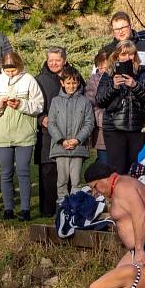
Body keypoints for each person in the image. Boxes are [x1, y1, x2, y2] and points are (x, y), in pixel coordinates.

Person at [0, 51, 44, 220]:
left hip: (24, 133)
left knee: (23, 171)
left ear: (20, 66)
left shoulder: (29, 80)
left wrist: (21, 104)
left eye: (14, 69)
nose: (11, 73)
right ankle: (8, 209)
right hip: (3, 135)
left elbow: (39, 105)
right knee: (6, 172)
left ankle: (25, 209)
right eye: (7, 70)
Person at [35, 47, 84, 216]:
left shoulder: (75, 76)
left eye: (57, 60)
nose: (53, 63)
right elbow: (34, 105)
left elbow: (82, 102)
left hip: (72, 133)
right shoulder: (39, 80)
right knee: (48, 171)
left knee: (71, 174)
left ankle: (70, 208)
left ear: (64, 60)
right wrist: (41, 118)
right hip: (48, 132)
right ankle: (48, 210)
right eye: (50, 60)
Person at [95, 40, 145, 176]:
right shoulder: (108, 75)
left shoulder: (143, 74)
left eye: (131, 54)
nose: (127, 58)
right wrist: (114, 87)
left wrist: (135, 85)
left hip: (137, 128)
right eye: (124, 54)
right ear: (116, 57)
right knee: (118, 170)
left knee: (137, 169)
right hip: (114, 129)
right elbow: (99, 101)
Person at [47, 67, 94, 202]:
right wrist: (62, 140)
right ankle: (62, 207)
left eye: (74, 83)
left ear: (78, 83)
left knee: (76, 181)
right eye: (68, 83)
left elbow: (89, 123)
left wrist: (77, 140)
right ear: (62, 83)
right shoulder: (55, 101)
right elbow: (52, 123)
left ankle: (75, 207)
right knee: (61, 180)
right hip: (60, 148)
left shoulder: (85, 102)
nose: (71, 86)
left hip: (78, 148)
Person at [101, 11, 145, 82]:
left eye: (123, 27)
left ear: (130, 26)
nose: (120, 31)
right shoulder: (106, 51)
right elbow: (97, 75)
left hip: (144, 90)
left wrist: (142, 77)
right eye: (117, 29)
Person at [85, 50, 109, 164]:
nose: (105, 71)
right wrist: (104, 119)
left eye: (107, 67)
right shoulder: (93, 81)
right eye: (101, 68)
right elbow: (91, 105)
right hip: (102, 130)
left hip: (119, 130)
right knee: (104, 163)